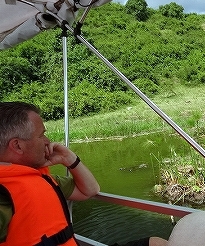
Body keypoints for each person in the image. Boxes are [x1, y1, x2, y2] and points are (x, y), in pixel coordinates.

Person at [0, 101, 167, 246]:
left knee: (156, 243)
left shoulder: (44, 179)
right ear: (17, 146)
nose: (48, 141)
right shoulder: (3, 195)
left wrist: (69, 158)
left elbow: (90, 190)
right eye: (41, 135)